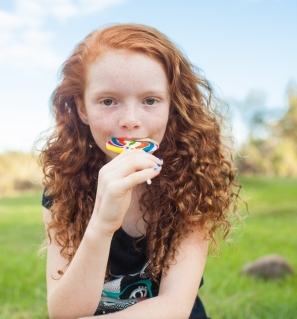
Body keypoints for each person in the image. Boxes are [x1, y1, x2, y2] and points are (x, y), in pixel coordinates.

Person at [39, 23, 240, 319]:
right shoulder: (63, 187)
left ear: (171, 106)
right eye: (108, 101)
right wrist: (102, 225)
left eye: (150, 100)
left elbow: (174, 307)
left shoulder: (193, 183)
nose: (131, 121)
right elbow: (64, 312)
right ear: (82, 108)